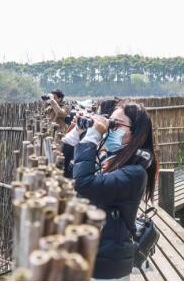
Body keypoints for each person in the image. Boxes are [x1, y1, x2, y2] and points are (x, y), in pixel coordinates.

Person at [72, 100, 159, 280]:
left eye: (116, 125)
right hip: (97, 256)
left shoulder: (135, 173)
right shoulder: (112, 159)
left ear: (136, 133)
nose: (110, 129)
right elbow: (74, 174)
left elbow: (84, 183)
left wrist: (94, 136)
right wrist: (81, 134)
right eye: (109, 122)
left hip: (108, 267)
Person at [61, 99, 119, 178]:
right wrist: (77, 131)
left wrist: (92, 138)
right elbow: (66, 168)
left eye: (117, 124)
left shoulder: (116, 160)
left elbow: (83, 182)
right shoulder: (101, 149)